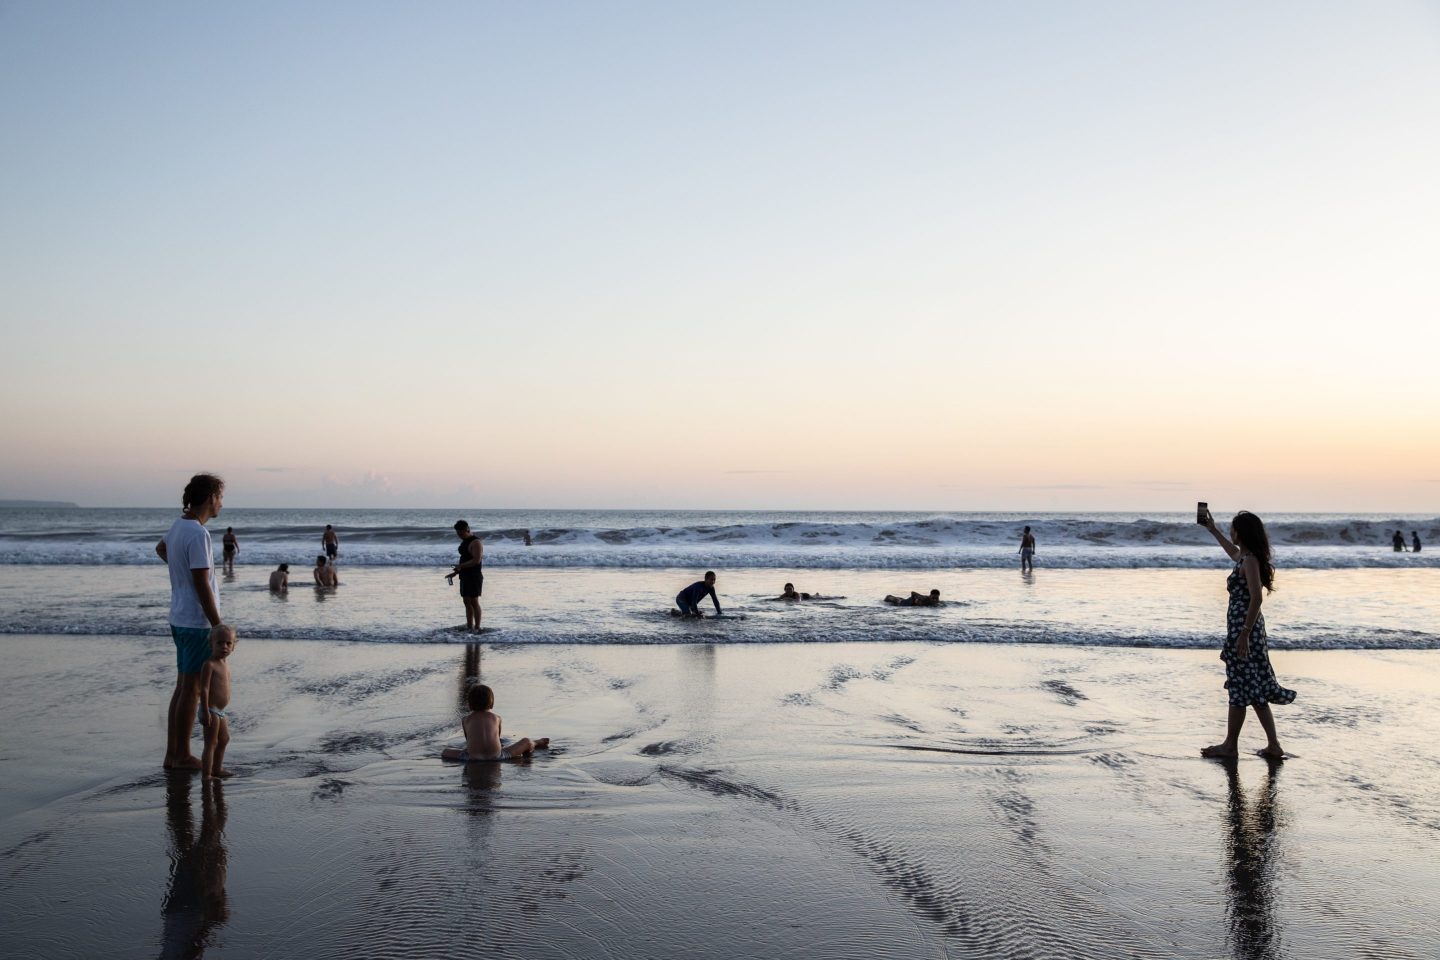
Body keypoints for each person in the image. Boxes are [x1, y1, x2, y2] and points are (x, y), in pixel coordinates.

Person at [1198, 507, 1295, 760]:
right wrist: (1213, 529)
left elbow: (1256, 598)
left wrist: (1244, 634)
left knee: (1245, 686)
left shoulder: (1250, 561)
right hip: (1242, 629)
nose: (1231, 532)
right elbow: (1232, 552)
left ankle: (1243, 745)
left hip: (1246, 630)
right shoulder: (1245, 557)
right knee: (1247, 687)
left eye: (1232, 528)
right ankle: (1259, 744)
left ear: (1241, 532)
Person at [155, 473, 225, 771]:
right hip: (196, 622)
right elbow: (202, 583)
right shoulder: (198, 534)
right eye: (221, 497)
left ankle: (174, 753)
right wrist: (218, 624)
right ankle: (181, 755)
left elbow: (161, 548)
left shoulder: (178, 526)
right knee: (193, 688)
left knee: (184, 686)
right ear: (210, 498)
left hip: (179, 617)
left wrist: (179, 570)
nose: (222, 503)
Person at [442, 684, 550, 762]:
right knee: (526, 741)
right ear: (491, 703)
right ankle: (536, 743)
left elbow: (468, 740)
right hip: (497, 756)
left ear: (470, 704)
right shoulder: (496, 718)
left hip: (472, 757)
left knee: (445, 752)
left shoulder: (466, 720)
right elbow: (497, 738)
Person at [198, 624, 237, 780]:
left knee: (224, 739)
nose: (224, 647)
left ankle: (217, 768)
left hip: (221, 711)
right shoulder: (209, 665)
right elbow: (204, 689)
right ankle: (207, 774)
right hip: (211, 709)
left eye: (228, 643)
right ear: (211, 644)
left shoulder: (225, 665)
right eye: (219, 643)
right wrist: (205, 710)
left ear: (234, 646)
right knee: (211, 743)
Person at [446, 520, 484, 631]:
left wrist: (460, 566)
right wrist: (455, 572)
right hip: (465, 575)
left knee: (474, 602)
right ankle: (469, 626)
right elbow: (465, 560)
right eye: (458, 534)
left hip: (474, 576)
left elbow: (476, 560)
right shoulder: (465, 541)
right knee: (466, 601)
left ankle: (477, 628)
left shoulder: (476, 542)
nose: (459, 536)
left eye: (461, 534)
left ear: (467, 529)